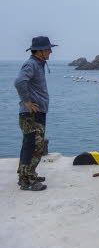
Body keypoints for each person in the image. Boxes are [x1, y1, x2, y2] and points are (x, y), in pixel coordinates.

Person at [14, 36, 57, 191]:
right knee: (34, 146)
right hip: (31, 113)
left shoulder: (38, 64)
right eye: (48, 49)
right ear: (39, 51)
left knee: (30, 144)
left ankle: (25, 175)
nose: (51, 51)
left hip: (36, 112)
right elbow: (19, 82)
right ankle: (28, 181)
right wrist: (27, 101)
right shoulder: (31, 64)